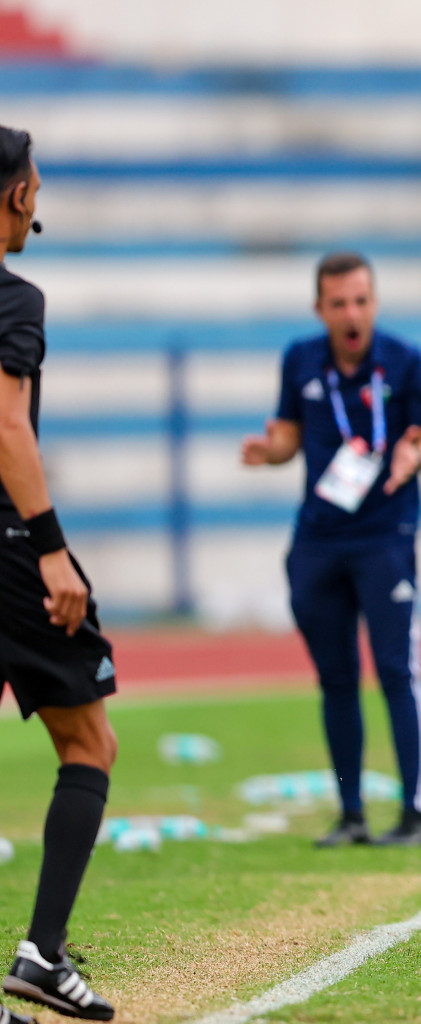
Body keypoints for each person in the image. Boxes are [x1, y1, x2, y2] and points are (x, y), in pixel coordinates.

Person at [242, 252, 421, 848]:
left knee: (394, 669)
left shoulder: (405, 362)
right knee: (334, 677)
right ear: (320, 309)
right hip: (317, 539)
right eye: (339, 303)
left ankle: (414, 813)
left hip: (385, 536)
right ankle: (351, 812)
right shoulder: (300, 359)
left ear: (373, 303)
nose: (351, 313)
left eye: (361, 300)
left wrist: (415, 455)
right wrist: (269, 450)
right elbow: (288, 435)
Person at [0, 125, 116, 1022]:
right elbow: (8, 429)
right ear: (18, 196)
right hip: (8, 555)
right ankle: (41, 954)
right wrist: (49, 548)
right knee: (89, 744)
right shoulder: (15, 299)